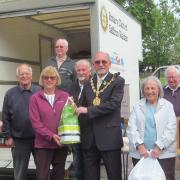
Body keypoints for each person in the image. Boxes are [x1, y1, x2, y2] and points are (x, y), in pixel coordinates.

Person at [76, 51, 125, 180]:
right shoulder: (88, 83)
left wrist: (88, 110)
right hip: (89, 138)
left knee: (114, 176)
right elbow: (82, 106)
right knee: (90, 176)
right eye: (97, 62)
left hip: (109, 138)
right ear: (93, 65)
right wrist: (72, 108)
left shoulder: (118, 81)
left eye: (104, 62)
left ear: (109, 64)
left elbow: (113, 104)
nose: (101, 64)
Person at [127, 76, 176, 180]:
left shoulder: (168, 106)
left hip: (164, 154)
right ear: (143, 91)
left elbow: (171, 129)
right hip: (141, 153)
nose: (150, 91)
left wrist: (159, 147)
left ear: (159, 90)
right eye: (147, 88)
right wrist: (139, 145)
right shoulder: (137, 106)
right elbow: (131, 128)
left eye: (153, 88)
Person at [29, 66, 69, 180]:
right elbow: (35, 122)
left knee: (59, 175)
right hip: (43, 145)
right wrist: (51, 136)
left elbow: (70, 118)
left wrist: (75, 110)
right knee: (42, 176)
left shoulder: (65, 96)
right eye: (46, 77)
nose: (49, 80)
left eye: (52, 77)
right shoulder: (35, 98)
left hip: (61, 143)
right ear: (42, 80)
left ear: (57, 80)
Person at [2, 64, 40, 180]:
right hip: (19, 140)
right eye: (21, 74)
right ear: (17, 77)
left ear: (31, 76)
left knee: (42, 171)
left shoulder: (39, 91)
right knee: (19, 173)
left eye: (27, 73)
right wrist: (7, 136)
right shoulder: (10, 94)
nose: (24, 76)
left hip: (39, 139)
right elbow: (5, 116)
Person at [69, 59, 92, 180]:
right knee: (77, 164)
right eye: (78, 70)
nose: (81, 72)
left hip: (90, 132)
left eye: (84, 70)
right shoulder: (71, 87)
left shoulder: (95, 86)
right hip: (75, 131)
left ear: (89, 71)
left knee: (90, 165)